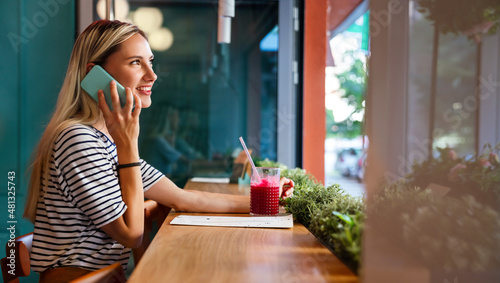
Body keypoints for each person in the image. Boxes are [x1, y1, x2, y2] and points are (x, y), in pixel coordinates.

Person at [23, 20, 294, 282]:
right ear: (95, 74)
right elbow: (132, 234)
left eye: (149, 61)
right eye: (135, 62)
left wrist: (272, 201)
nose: (152, 75)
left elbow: (185, 199)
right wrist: (128, 143)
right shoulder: (78, 138)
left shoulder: (105, 139)